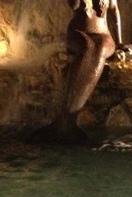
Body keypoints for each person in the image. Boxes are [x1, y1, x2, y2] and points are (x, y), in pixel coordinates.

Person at [32, 0, 124, 143]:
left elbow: (115, 12)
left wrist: (120, 43)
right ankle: (67, 119)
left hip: (104, 35)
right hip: (79, 34)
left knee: (100, 47)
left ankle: (68, 119)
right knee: (88, 47)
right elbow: (74, 5)